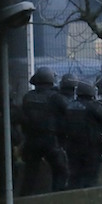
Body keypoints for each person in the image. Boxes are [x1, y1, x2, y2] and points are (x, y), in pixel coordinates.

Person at [20, 67, 69, 196]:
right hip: (50, 141)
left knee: (30, 174)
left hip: (31, 141)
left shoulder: (27, 97)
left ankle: (25, 198)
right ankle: (57, 197)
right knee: (60, 170)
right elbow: (70, 111)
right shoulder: (56, 97)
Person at [64, 80, 102, 189]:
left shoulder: (70, 105)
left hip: (72, 146)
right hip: (90, 146)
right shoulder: (92, 106)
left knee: (74, 176)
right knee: (90, 177)